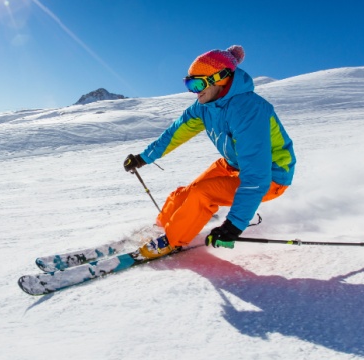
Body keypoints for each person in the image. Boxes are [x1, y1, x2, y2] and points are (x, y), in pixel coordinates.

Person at [123, 45, 296, 258]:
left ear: (220, 78)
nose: (194, 91)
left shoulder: (248, 109)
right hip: (233, 164)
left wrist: (235, 224)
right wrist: (143, 158)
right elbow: (176, 133)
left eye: (198, 83)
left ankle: (171, 241)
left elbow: (257, 174)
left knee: (201, 194)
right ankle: (161, 228)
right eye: (189, 84)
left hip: (271, 175)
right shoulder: (204, 106)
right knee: (185, 193)